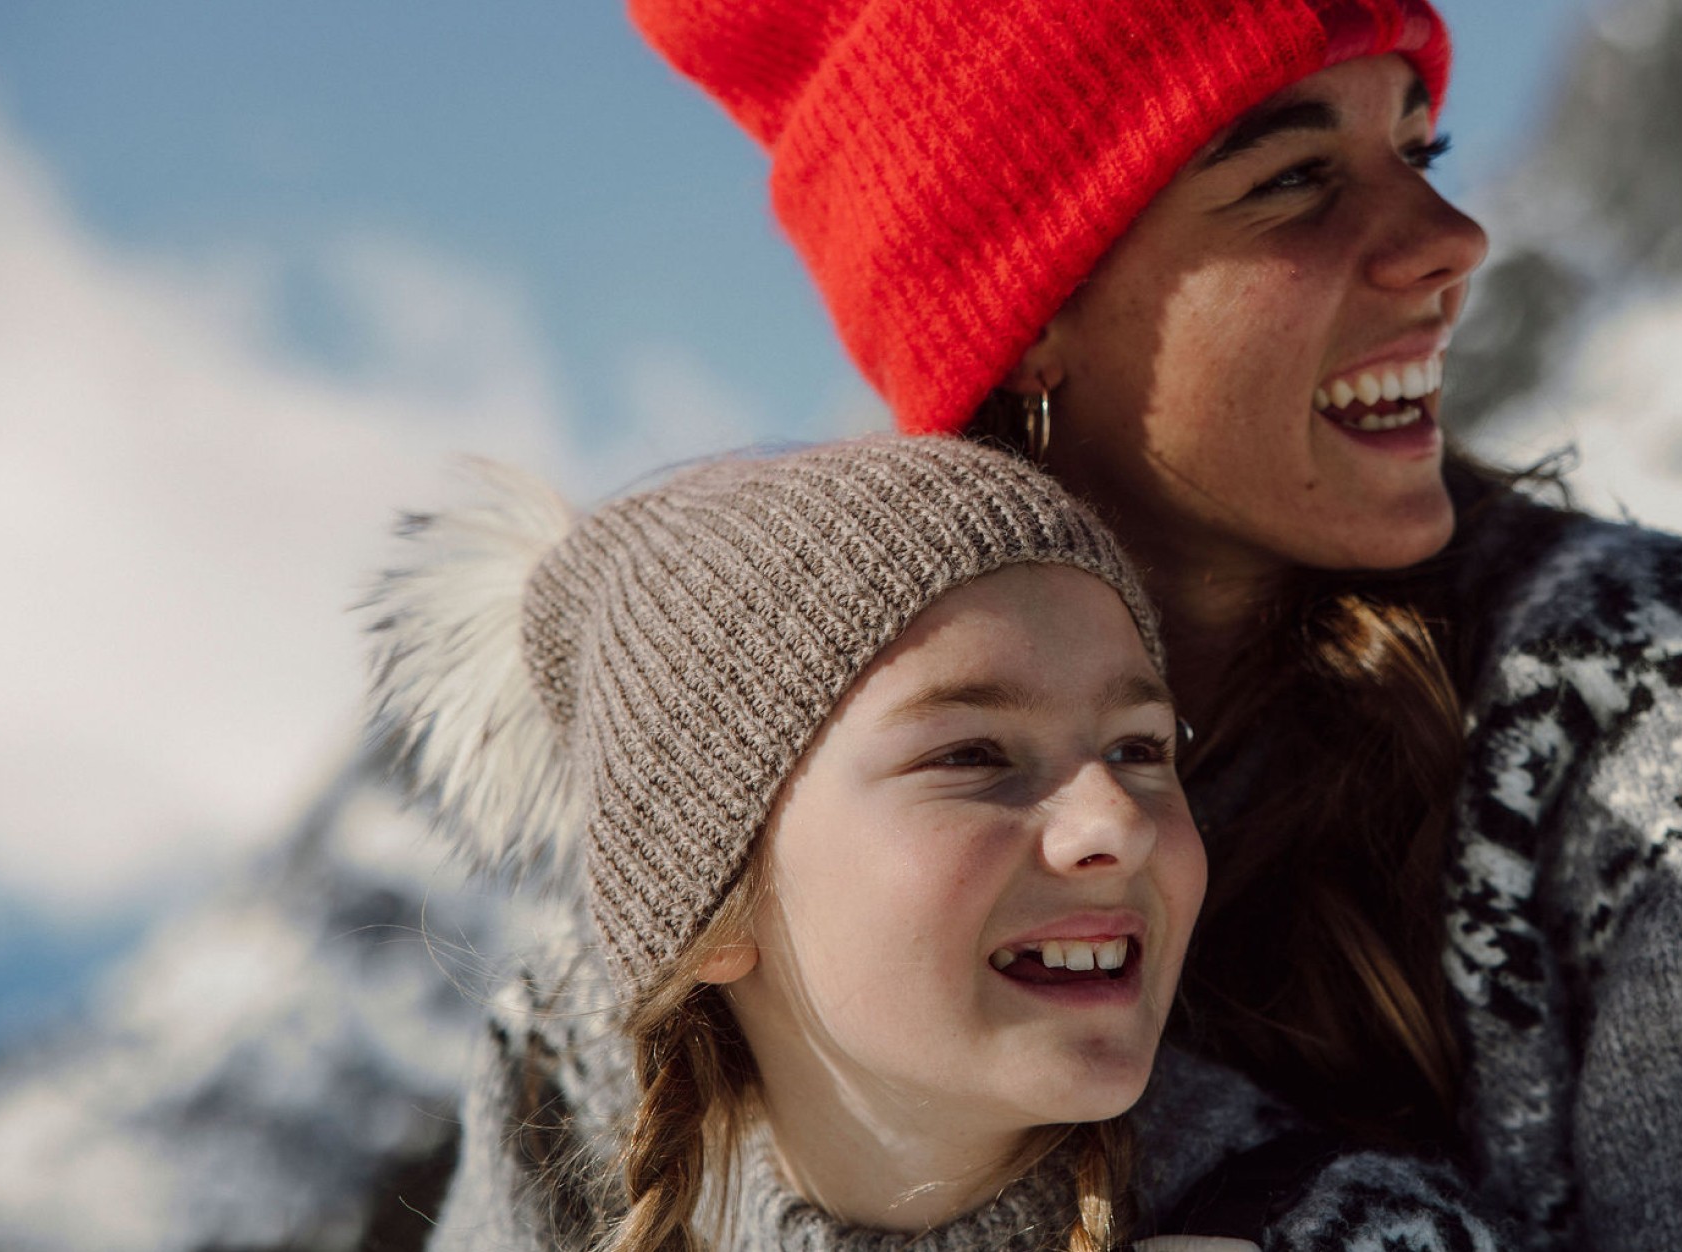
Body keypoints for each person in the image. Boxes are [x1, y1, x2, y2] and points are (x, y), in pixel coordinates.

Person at [622, 2, 1682, 1249]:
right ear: (1033, 313)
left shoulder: (1677, 721)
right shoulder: (736, 832)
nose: (1451, 244)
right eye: (1292, 180)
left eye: (1422, 143)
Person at [364, 437, 1508, 1249]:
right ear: (713, 903)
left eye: (1141, 745)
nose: (1112, 821)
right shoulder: (558, 1111)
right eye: (972, 756)